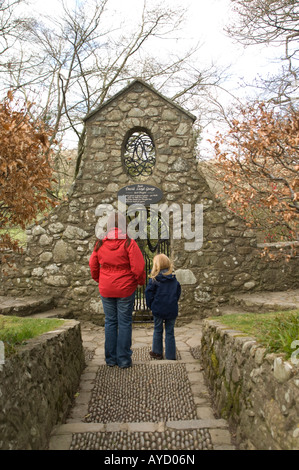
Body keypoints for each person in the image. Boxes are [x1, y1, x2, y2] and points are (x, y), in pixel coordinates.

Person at [89, 211, 146, 368]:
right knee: (125, 322)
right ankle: (124, 359)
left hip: (106, 287)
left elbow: (93, 265)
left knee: (110, 322)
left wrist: (100, 280)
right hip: (125, 288)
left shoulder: (100, 243)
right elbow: (139, 267)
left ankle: (111, 359)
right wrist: (139, 281)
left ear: (108, 225)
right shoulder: (128, 243)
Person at [145, 254, 181, 360]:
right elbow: (177, 293)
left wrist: (151, 305)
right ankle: (170, 355)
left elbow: (148, 294)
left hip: (158, 309)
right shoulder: (174, 280)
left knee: (158, 330)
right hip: (171, 309)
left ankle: (157, 352)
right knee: (170, 331)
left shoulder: (154, 280)